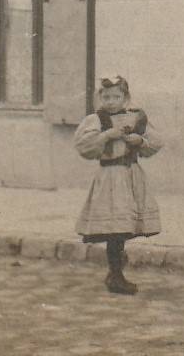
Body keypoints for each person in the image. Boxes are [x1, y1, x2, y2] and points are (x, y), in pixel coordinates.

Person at [73, 76, 163, 294]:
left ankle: (116, 270)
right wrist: (106, 136)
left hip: (131, 176)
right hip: (110, 178)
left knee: (124, 227)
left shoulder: (136, 118)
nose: (111, 101)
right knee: (115, 227)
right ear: (99, 98)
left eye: (116, 97)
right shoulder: (96, 120)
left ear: (126, 98)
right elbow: (84, 146)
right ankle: (115, 273)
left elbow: (156, 142)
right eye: (106, 97)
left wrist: (140, 141)